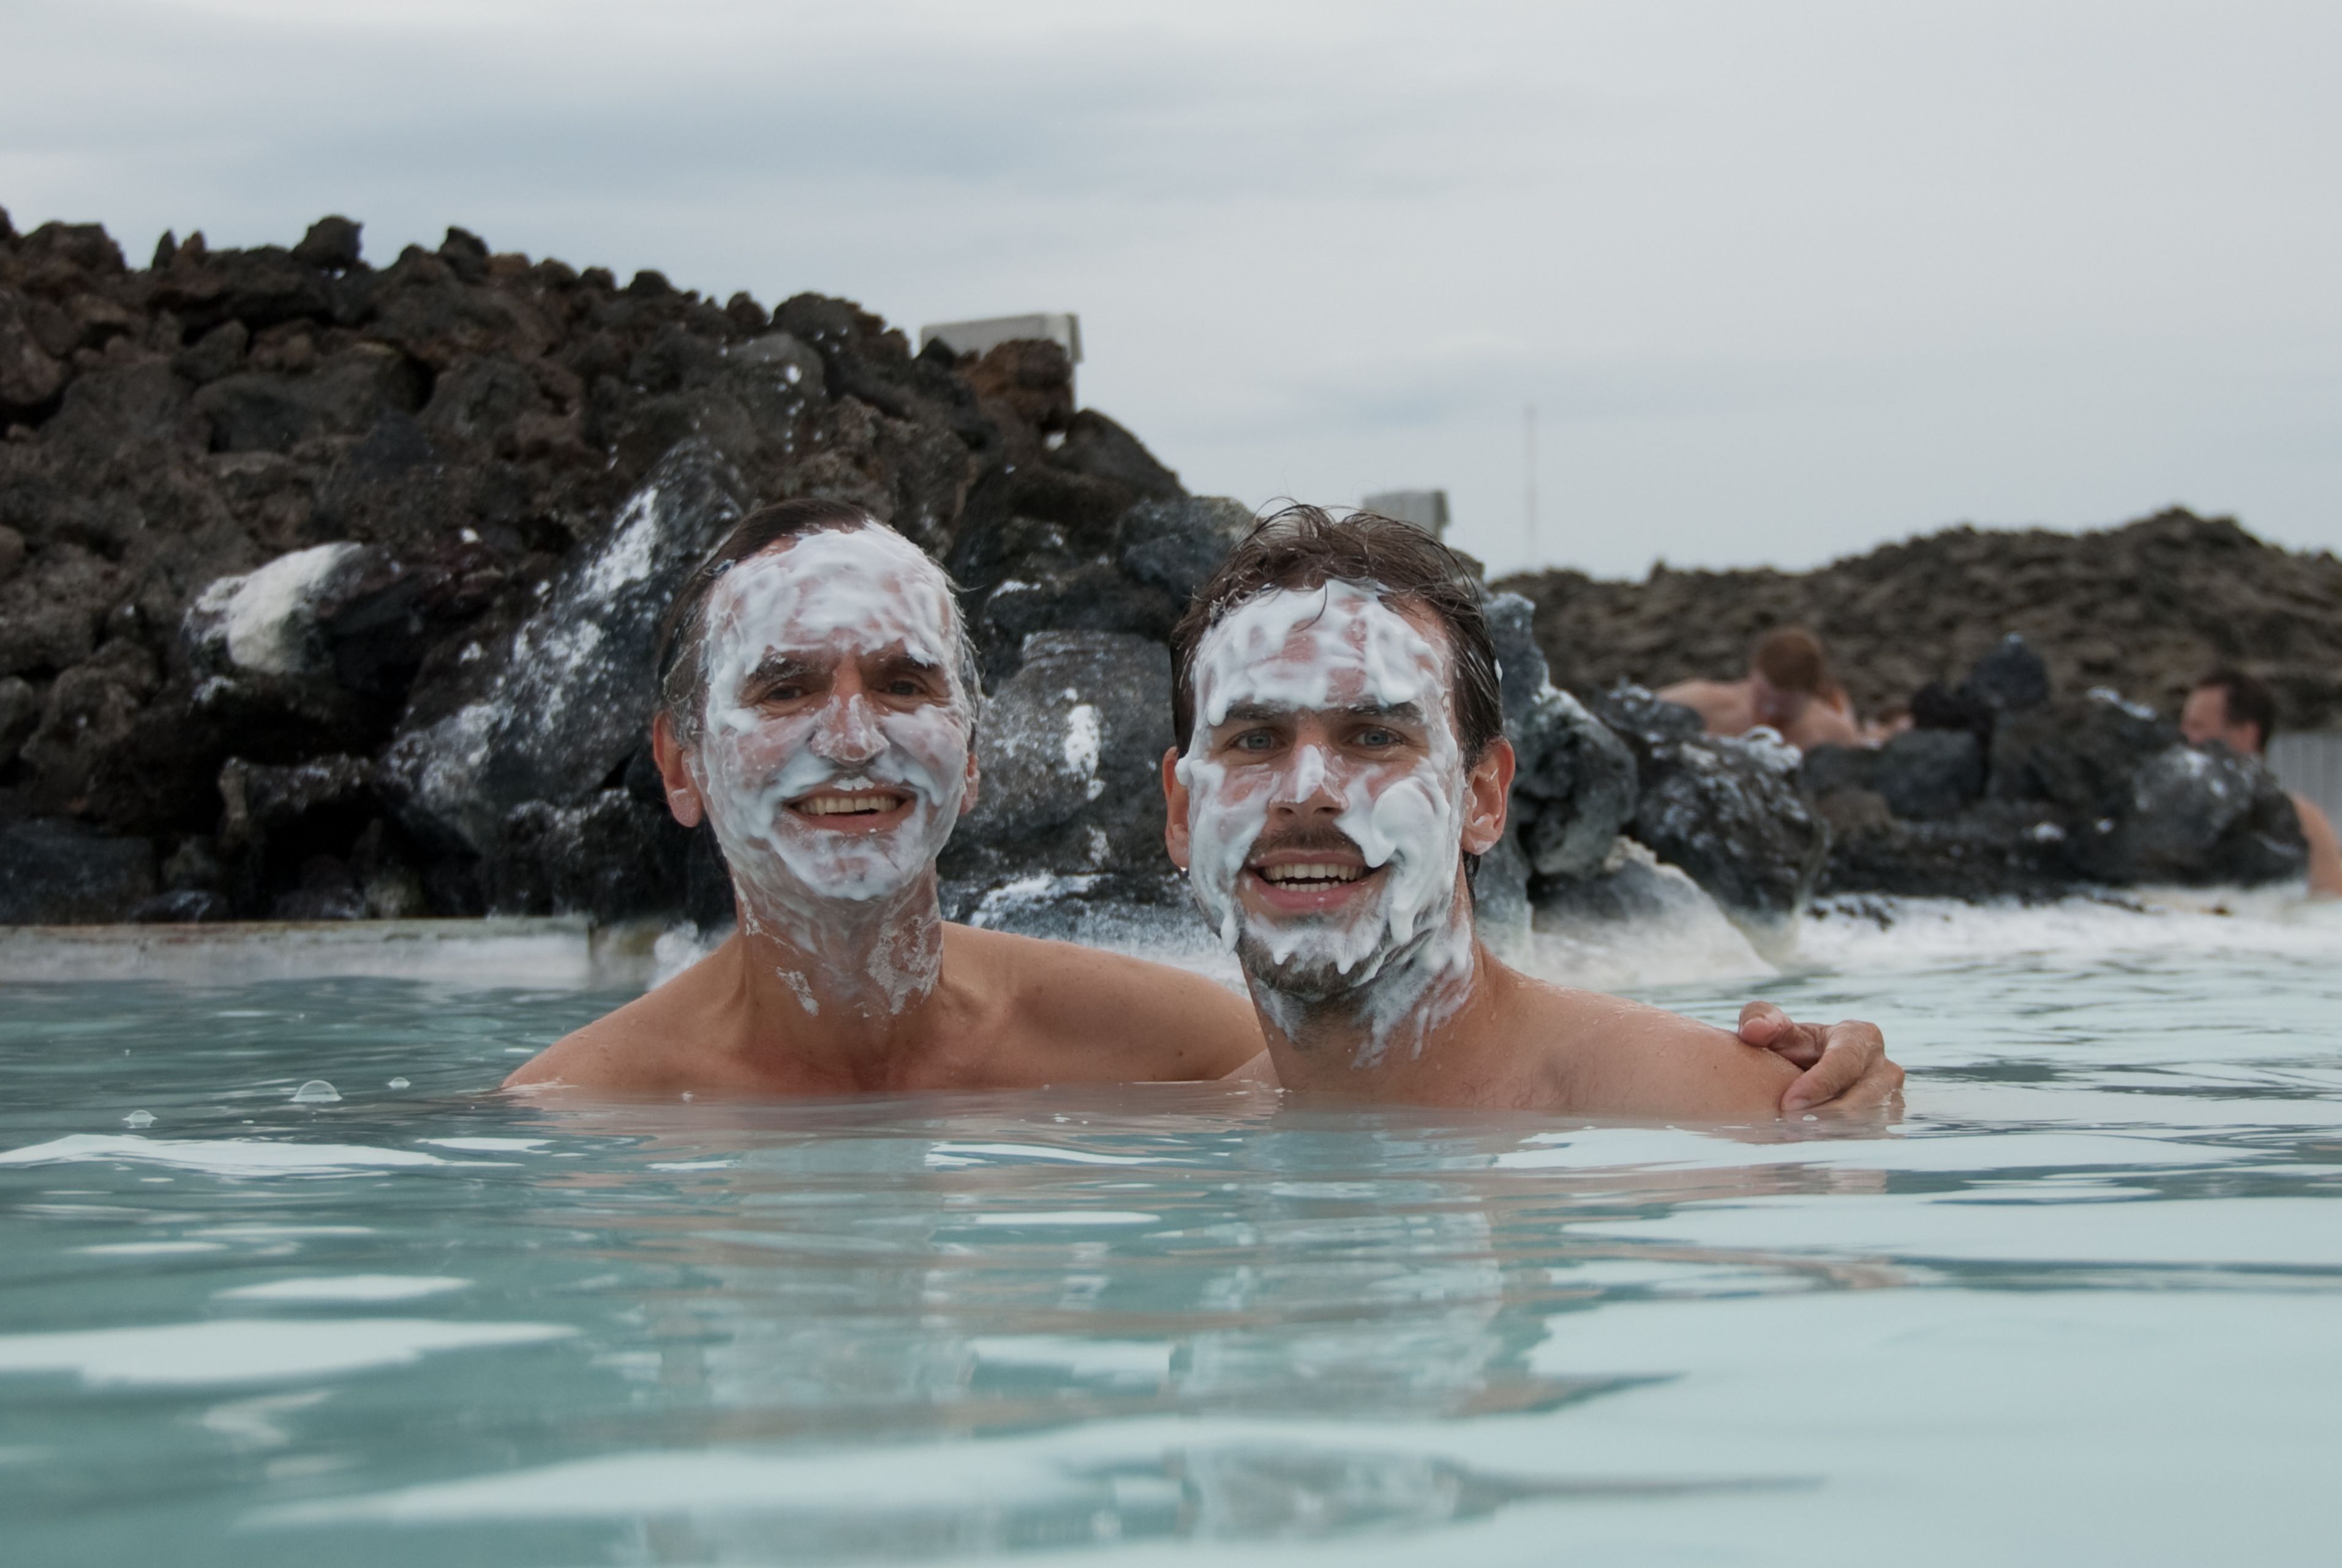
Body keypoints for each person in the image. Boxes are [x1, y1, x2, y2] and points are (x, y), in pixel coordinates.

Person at [509, 500, 1896, 1105]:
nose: (853, 734)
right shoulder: (573, 1123)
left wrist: (1841, 1095)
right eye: (786, 687)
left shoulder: (1175, 1061)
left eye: (1369, 733)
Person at [1162, 507, 1902, 1118]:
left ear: (1482, 799)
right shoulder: (1181, 1109)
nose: (1308, 788)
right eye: (1254, 739)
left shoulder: (1711, 1115)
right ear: (1182, 810)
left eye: (1375, 736)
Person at [2178, 668, 2342, 897]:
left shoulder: (2303, 821)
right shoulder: (2167, 808)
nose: (2184, 737)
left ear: (2246, 734)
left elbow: (2328, 904)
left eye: (2197, 727)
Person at [1659, 627, 1862, 752]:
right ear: (1753, 674)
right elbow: (1633, 708)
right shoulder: (1702, 702)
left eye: (1782, 715)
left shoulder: (1832, 735)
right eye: (1761, 699)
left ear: (1812, 695)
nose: (1767, 715)